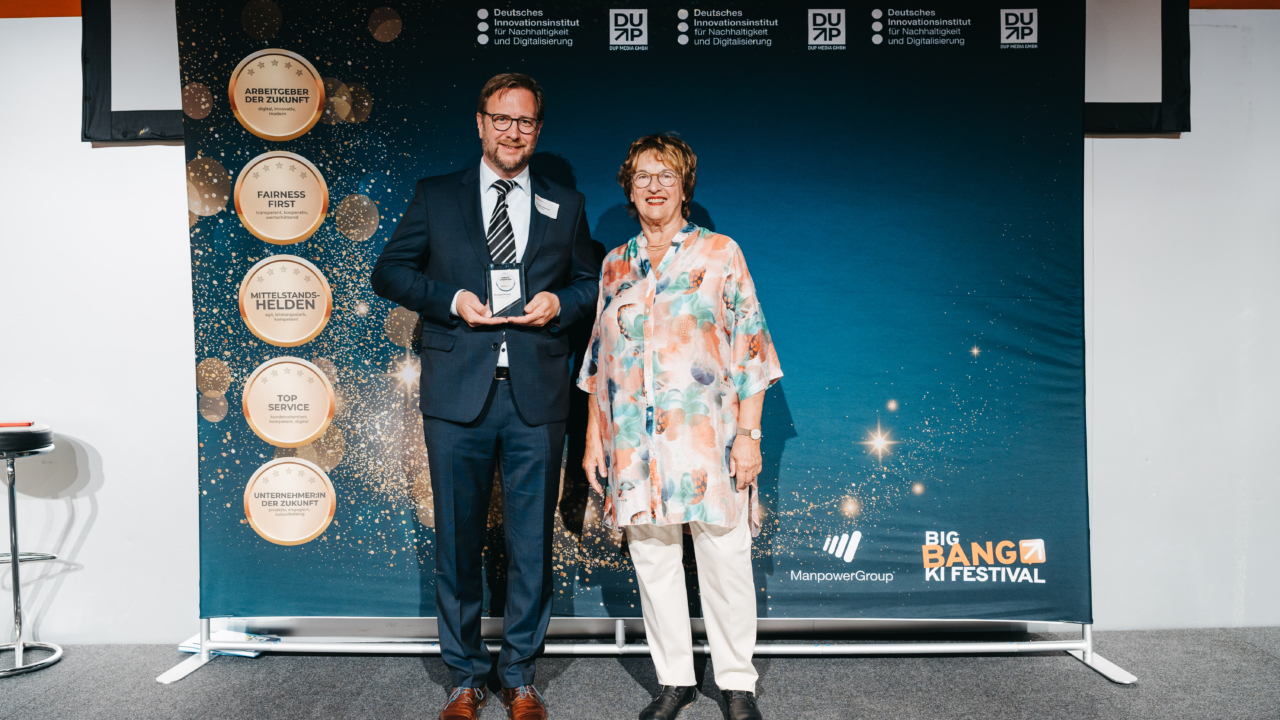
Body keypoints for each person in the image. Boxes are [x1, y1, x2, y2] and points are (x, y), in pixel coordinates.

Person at [371, 73, 598, 720]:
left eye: (525, 122)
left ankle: (521, 676)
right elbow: (388, 271)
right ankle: (466, 678)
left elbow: (589, 284)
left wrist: (561, 302)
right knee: (457, 545)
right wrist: (450, 300)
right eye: (502, 118)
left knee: (531, 546)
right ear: (479, 123)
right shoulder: (436, 196)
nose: (512, 131)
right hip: (457, 395)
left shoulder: (567, 203)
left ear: (538, 130)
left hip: (536, 395)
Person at [579, 134, 783, 720]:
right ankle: (675, 680)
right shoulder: (615, 262)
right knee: (654, 563)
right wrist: (596, 437)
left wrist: (750, 436)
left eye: (666, 174)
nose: (654, 186)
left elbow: (751, 352)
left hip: (708, 444)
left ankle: (737, 684)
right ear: (629, 187)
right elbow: (601, 358)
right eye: (643, 176)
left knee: (724, 560)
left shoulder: (721, 253)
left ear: (685, 184)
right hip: (634, 447)